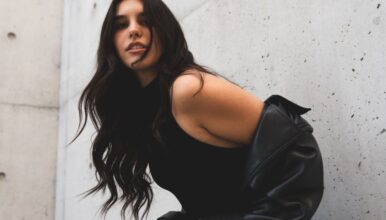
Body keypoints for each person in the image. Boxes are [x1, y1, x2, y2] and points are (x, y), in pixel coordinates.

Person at [72, 0, 324, 220]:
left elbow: (296, 146)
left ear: (164, 30)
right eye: (121, 25)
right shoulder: (145, 108)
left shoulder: (187, 90)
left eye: (146, 20)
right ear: (110, 41)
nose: (134, 30)